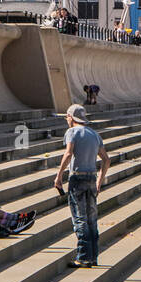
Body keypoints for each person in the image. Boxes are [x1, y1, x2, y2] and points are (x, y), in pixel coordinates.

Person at [53, 104, 109, 268]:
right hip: (92, 178)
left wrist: (58, 176)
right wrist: (100, 180)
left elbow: (69, 153)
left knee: (80, 218)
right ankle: (93, 256)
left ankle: (83, 257)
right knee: (92, 219)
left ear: (71, 117)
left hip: (77, 179)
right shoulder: (94, 134)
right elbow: (106, 159)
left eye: (67, 117)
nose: (67, 120)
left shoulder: (72, 132)